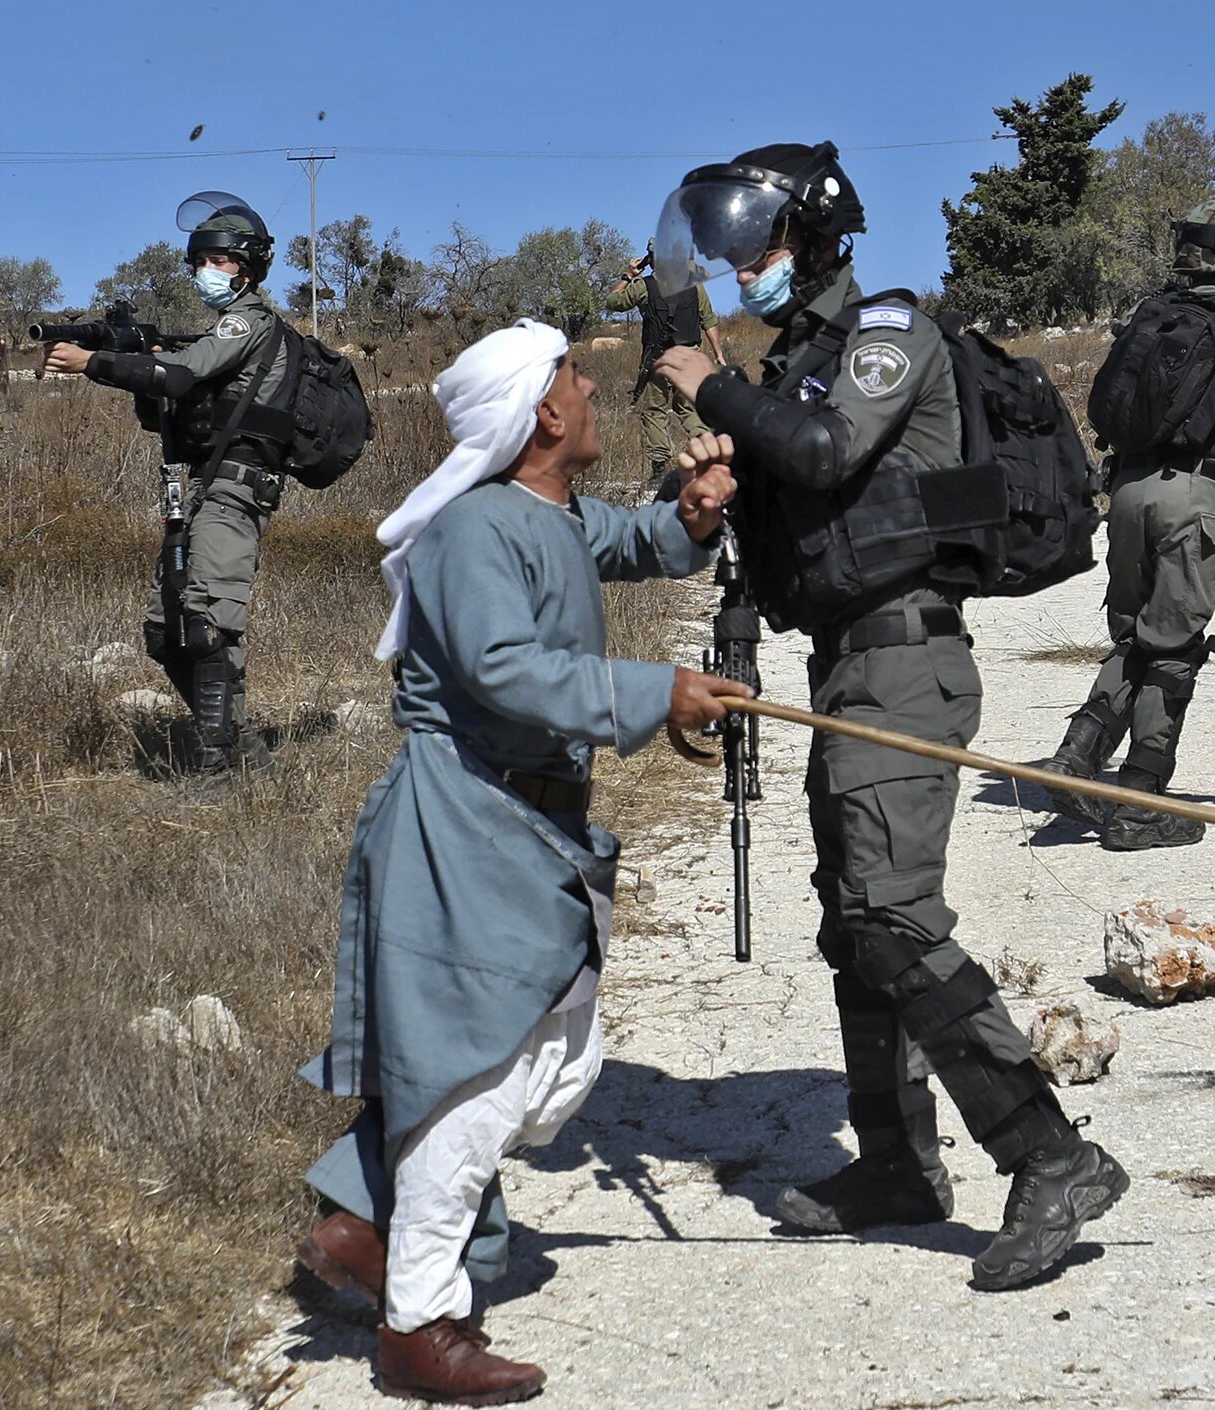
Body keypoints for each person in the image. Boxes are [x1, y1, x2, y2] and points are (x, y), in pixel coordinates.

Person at [648, 141, 1129, 1292]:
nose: (738, 269)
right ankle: (898, 1163)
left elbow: (826, 451)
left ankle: (1051, 1155)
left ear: (816, 239)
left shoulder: (886, 334)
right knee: (852, 922)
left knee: (896, 922)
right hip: (840, 673)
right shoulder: (792, 366)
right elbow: (777, 522)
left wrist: (706, 383)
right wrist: (716, 487)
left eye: (754, 247)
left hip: (906, 664)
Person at [292, 319, 749, 1404]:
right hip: (464, 824)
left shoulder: (544, 514)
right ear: (545, 412)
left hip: (527, 826)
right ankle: (420, 1326)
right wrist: (652, 691)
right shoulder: (470, 531)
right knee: (475, 1079)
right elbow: (503, 667)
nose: (594, 389)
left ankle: (363, 1222)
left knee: (541, 1065)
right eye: (578, 378)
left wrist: (690, 517)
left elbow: (632, 545)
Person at [1038, 191, 1215, 849]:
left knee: (1137, 638)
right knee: (1174, 650)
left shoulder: (1152, 317)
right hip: (1193, 499)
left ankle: (1077, 754)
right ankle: (1141, 802)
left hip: (1129, 493)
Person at [43, 191, 290, 771]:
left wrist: (94, 363)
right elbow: (166, 405)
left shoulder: (247, 322)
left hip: (236, 486)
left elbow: (179, 377)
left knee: (205, 624)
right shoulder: (214, 336)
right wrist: (135, 363)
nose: (206, 272)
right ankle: (238, 738)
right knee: (166, 629)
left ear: (249, 268)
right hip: (197, 485)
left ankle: (214, 764)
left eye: (219, 261)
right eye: (199, 262)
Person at [605, 244, 726, 485]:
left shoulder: (643, 287)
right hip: (690, 357)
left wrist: (628, 275)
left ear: (651, 260)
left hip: (658, 359)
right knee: (690, 408)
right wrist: (718, 354)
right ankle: (711, 457)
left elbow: (612, 302)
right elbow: (708, 320)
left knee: (654, 412)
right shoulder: (694, 285)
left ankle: (659, 469)